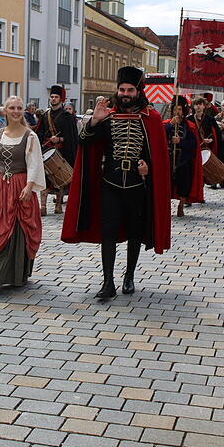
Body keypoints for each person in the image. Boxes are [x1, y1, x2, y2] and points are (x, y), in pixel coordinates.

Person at [61, 66, 171, 300]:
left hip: (137, 186)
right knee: (107, 233)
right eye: (122, 89)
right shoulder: (107, 116)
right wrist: (93, 122)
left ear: (138, 91)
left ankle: (129, 276)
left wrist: (148, 170)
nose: (125, 94)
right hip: (109, 183)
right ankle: (108, 281)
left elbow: (159, 158)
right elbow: (84, 142)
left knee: (134, 233)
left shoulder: (151, 119)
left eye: (130, 89)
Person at [0, 96, 46, 295]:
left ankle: (11, 275)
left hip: (20, 186)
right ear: (5, 110)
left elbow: (34, 163)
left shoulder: (30, 136)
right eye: (12, 108)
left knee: (16, 229)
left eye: (19, 108)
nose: (16, 111)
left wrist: (29, 186)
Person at [34, 85, 79, 216]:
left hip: (61, 151)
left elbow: (72, 137)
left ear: (61, 99)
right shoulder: (44, 115)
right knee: (44, 179)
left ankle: (58, 205)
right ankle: (42, 206)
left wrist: (59, 139)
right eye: (52, 97)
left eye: (56, 97)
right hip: (46, 150)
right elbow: (39, 133)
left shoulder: (67, 117)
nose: (53, 99)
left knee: (59, 180)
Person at [165, 96, 203, 217]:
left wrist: (180, 141)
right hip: (168, 159)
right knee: (166, 185)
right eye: (175, 109)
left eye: (180, 109)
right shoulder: (166, 124)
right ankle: (166, 207)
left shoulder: (190, 126)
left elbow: (193, 145)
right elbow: (159, 137)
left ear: (184, 111)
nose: (177, 112)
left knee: (184, 184)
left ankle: (181, 206)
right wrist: (170, 125)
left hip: (183, 159)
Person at [189, 96, 222, 189]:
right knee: (195, 172)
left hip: (208, 148)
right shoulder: (189, 119)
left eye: (200, 104)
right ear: (193, 106)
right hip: (195, 148)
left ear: (204, 106)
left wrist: (211, 139)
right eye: (196, 104)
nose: (198, 106)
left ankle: (212, 181)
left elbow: (217, 133)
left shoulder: (210, 119)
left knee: (207, 169)